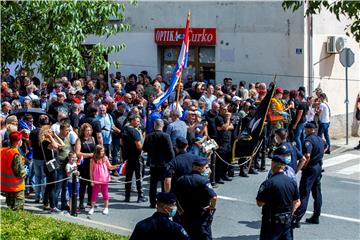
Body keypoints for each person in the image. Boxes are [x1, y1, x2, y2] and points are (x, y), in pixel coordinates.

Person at [256, 155, 301, 240]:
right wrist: (290, 214)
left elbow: (259, 203)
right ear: (283, 167)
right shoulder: (292, 182)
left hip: (271, 222)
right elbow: (297, 202)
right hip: (286, 221)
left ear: (273, 165)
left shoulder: (268, 183)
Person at [293, 122, 326, 228]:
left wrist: (303, 166)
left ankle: (297, 218)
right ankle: (316, 216)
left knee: (304, 193)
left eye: (306, 128)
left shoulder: (308, 141)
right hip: (318, 167)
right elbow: (326, 147)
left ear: (309, 129)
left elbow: (307, 155)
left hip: (310, 168)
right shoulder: (320, 139)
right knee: (317, 193)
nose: (305, 130)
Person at [175, 157, 217, 240]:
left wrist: (179, 209)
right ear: (199, 168)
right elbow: (214, 197)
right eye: (206, 167)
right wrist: (212, 206)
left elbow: (175, 197)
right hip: (201, 215)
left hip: (185, 214)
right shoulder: (203, 181)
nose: (208, 169)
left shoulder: (181, 179)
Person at [143, 119, 175, 208]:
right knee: (164, 184)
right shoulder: (166, 136)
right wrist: (172, 162)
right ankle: (163, 202)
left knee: (153, 184)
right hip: (164, 163)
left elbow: (145, 148)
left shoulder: (149, 136)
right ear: (162, 125)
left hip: (153, 163)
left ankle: (152, 202)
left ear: (154, 125)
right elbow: (170, 151)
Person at [121, 114, 147, 203]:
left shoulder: (124, 129)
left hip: (128, 156)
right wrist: (144, 149)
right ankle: (140, 196)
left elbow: (121, 142)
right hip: (137, 156)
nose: (139, 123)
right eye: (137, 121)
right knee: (138, 176)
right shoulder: (134, 131)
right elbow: (139, 145)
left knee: (128, 177)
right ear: (132, 121)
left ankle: (127, 196)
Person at [39, 126, 65, 212]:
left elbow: (62, 145)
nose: (52, 133)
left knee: (49, 185)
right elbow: (55, 146)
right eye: (50, 132)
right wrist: (50, 137)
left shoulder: (50, 141)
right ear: (45, 133)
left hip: (53, 165)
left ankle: (45, 203)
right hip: (49, 166)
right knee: (52, 186)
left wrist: (55, 136)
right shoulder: (45, 142)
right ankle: (52, 206)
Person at [88, 145, 119, 215]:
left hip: (105, 179)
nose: (103, 152)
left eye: (103, 151)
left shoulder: (105, 158)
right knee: (94, 194)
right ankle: (92, 208)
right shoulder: (92, 160)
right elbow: (91, 171)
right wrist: (91, 180)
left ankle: (106, 207)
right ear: (97, 151)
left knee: (105, 193)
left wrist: (115, 166)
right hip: (96, 180)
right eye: (101, 151)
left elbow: (109, 167)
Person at [0, 131, 26, 210]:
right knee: (17, 211)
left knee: (10, 209)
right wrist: (25, 173)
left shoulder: (3, 151)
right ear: (18, 141)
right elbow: (19, 172)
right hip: (16, 187)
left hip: (7, 186)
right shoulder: (15, 154)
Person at [74, 123, 96, 209]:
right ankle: (81, 202)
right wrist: (89, 155)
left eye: (90, 130)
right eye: (87, 130)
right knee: (83, 184)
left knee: (91, 183)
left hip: (92, 163)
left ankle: (90, 201)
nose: (89, 132)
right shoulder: (79, 140)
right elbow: (78, 153)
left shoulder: (92, 139)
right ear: (83, 131)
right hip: (83, 164)